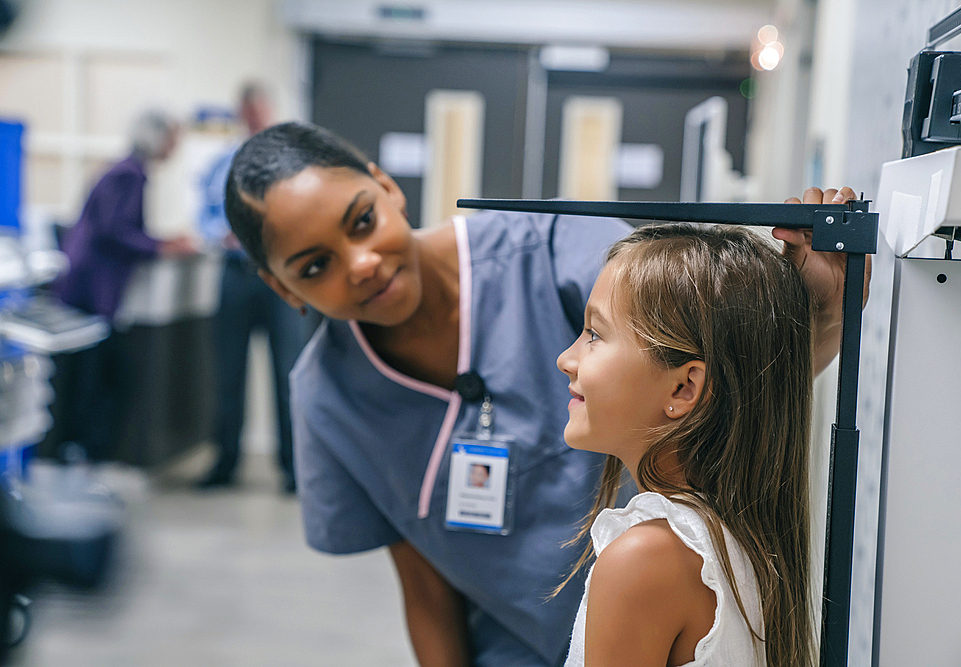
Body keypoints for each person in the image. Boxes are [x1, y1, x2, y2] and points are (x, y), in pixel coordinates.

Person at [223, 121, 858, 666]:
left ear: (387, 187)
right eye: (313, 267)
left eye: (361, 220)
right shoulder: (327, 400)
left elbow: (722, 379)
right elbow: (423, 586)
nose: (358, 263)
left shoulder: (552, 246)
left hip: (668, 623)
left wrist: (823, 316)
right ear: (281, 290)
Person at [557, 224, 814, 666]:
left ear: (683, 389)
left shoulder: (645, 560)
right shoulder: (739, 534)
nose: (567, 359)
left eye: (595, 334)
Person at [51, 109, 197, 462]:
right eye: (173, 137)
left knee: (93, 376)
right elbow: (114, 231)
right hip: (91, 291)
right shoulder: (130, 175)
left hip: (89, 290)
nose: (176, 146)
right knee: (95, 378)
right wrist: (162, 246)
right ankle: (81, 454)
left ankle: (80, 452)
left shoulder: (126, 171)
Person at [197, 83, 313, 492]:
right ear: (240, 114)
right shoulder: (219, 165)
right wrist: (220, 233)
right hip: (234, 275)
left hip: (279, 278)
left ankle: (293, 470)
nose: (254, 118)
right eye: (247, 112)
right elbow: (205, 217)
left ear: (270, 111)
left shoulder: (293, 165)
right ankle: (224, 463)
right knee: (228, 373)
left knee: (287, 372)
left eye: (259, 111)